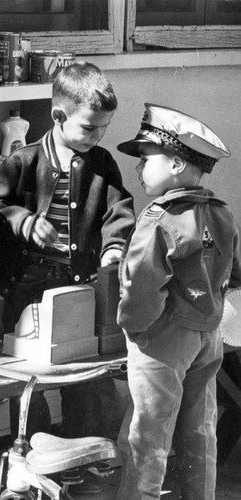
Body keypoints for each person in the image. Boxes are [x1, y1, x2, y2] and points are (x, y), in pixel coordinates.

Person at [0, 62, 135, 457]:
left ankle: (82, 453)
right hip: (27, 285)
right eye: (88, 127)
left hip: (80, 283)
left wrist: (114, 246)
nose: (97, 136)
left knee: (82, 368)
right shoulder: (23, 161)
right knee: (28, 376)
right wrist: (23, 223)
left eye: (103, 128)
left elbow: (119, 211)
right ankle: (31, 453)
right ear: (58, 116)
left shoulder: (102, 163)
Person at [115, 103, 241, 499]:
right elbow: (231, 273)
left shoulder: (159, 218)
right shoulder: (221, 214)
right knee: (200, 432)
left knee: (147, 436)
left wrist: (135, 329)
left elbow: (141, 284)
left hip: (162, 340)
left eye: (145, 158)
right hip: (207, 336)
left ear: (174, 164)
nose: (138, 168)